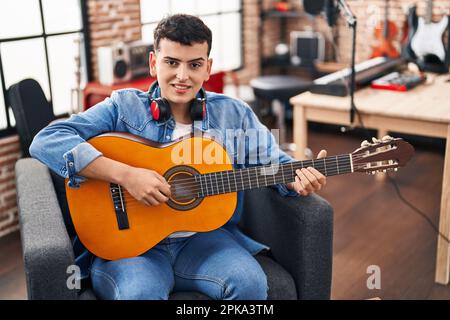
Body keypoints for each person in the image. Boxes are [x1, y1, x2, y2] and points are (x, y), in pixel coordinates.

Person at [29, 14, 327, 300]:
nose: (182, 76)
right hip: (130, 246)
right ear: (153, 62)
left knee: (250, 284)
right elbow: (47, 139)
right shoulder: (123, 107)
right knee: (139, 294)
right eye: (171, 62)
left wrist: (296, 179)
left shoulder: (233, 114)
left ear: (207, 68)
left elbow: (274, 162)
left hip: (203, 240)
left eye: (194, 64)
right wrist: (126, 175)